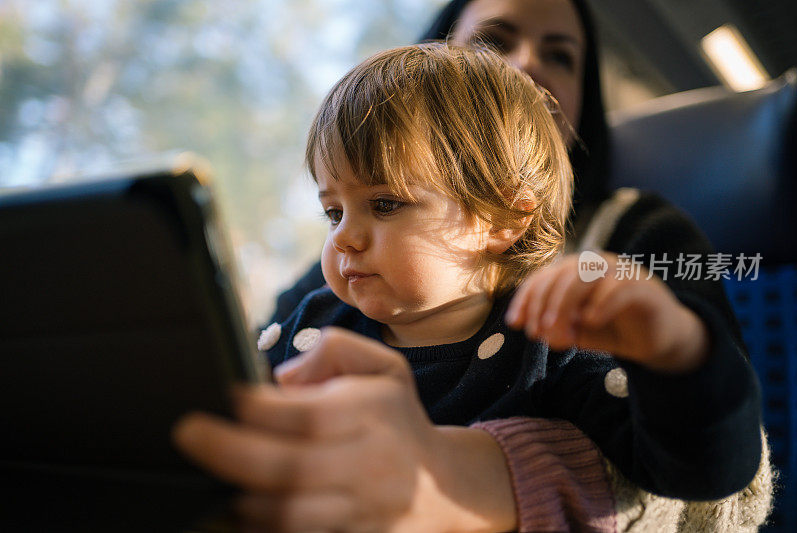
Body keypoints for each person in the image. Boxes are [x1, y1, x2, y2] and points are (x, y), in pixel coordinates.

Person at [175, 42, 766, 532]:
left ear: (503, 219)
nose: (344, 239)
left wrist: (675, 354)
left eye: (385, 204)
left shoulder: (552, 341)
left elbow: (697, 477)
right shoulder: (310, 325)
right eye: (333, 212)